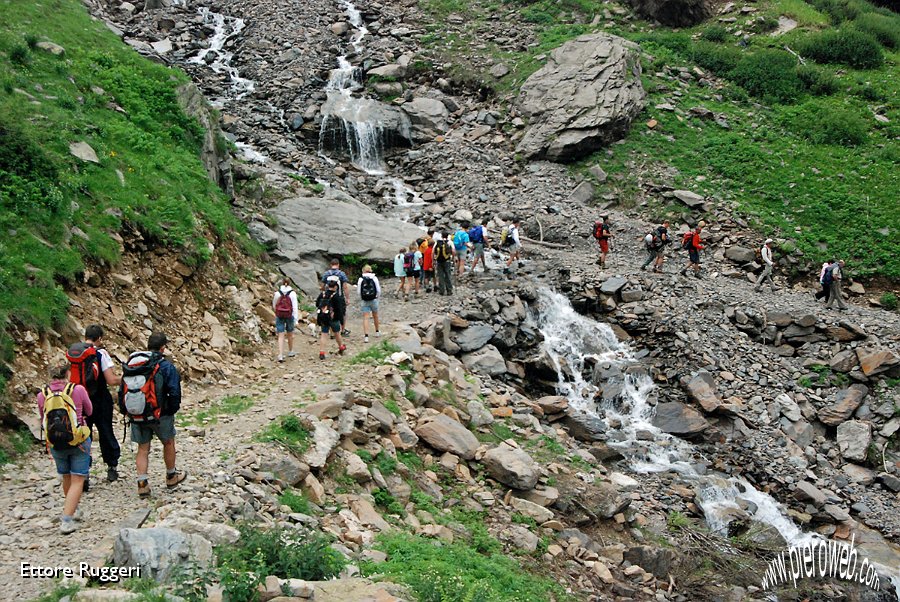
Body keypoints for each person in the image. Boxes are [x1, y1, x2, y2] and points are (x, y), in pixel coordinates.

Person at [120, 332, 186, 498]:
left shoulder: (135, 365)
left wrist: (126, 411)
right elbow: (174, 391)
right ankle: (171, 476)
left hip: (137, 414)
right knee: (168, 442)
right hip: (161, 414)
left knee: (143, 448)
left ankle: (142, 484)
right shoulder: (165, 366)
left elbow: (122, 390)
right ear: (163, 347)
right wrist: (171, 410)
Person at [37, 362, 92, 533]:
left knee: (66, 476)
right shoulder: (78, 390)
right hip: (78, 440)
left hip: (55, 442)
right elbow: (89, 411)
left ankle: (72, 509)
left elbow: (42, 416)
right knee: (78, 479)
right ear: (68, 373)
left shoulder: (42, 394)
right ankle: (67, 519)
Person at [67, 325, 121, 485]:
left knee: (84, 435)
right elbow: (111, 380)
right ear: (99, 338)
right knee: (106, 431)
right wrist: (125, 379)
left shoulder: (75, 353)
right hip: (100, 399)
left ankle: (84, 472)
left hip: (80, 401)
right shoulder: (101, 353)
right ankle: (111, 467)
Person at [316, 278, 347, 358]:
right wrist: (341, 321)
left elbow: (317, 304)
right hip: (334, 318)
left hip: (324, 317)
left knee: (324, 334)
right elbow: (339, 309)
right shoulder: (336, 296)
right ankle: (341, 346)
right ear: (336, 287)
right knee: (337, 333)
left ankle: (322, 352)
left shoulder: (322, 294)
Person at [321, 258, 351, 336]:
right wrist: (347, 298)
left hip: (329, 297)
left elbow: (322, 286)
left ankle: (332, 332)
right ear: (338, 265)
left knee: (330, 312)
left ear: (331, 265)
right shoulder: (341, 274)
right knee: (342, 313)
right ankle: (343, 330)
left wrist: (324, 294)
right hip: (339, 297)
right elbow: (345, 287)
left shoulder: (326, 274)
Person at [272, 278, 299, 363]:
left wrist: (277, 312)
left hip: (279, 315)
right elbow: (295, 307)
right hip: (289, 315)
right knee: (290, 333)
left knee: (281, 335)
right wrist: (296, 319)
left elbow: (274, 304)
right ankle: (290, 351)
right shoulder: (293, 293)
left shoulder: (277, 293)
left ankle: (280, 354)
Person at [357, 265, 382, 343]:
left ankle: (366, 336)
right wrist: (377, 297)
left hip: (364, 300)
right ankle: (377, 331)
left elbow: (358, 291)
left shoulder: (361, 279)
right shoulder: (374, 278)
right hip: (373, 299)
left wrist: (361, 297)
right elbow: (378, 289)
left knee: (366, 317)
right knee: (375, 315)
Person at [434, 231, 455, 295]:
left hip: (439, 261)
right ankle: (449, 290)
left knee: (440, 275)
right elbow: (453, 251)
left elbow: (433, 252)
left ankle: (441, 290)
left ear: (441, 236)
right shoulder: (450, 242)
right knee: (448, 275)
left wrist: (433, 260)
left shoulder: (437, 242)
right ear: (447, 236)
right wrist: (453, 259)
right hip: (447, 261)